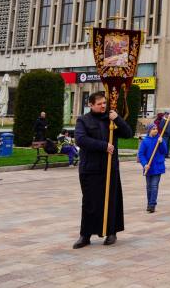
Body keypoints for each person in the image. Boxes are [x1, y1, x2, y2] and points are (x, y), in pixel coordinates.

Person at [73, 91, 133, 248]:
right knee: (89, 202)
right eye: (99, 104)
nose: (103, 106)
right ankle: (85, 235)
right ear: (91, 105)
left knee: (111, 200)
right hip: (90, 168)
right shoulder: (83, 120)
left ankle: (111, 232)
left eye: (104, 103)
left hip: (109, 168)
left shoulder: (111, 119)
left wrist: (118, 119)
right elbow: (81, 139)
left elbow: (128, 133)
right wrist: (104, 146)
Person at [137, 124, 166, 212]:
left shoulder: (160, 139)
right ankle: (149, 203)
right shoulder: (145, 141)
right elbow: (141, 154)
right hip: (148, 167)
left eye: (156, 128)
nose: (156, 130)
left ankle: (152, 204)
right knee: (149, 187)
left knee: (154, 186)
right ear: (149, 130)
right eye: (153, 129)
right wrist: (145, 164)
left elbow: (164, 151)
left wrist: (161, 143)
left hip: (157, 166)